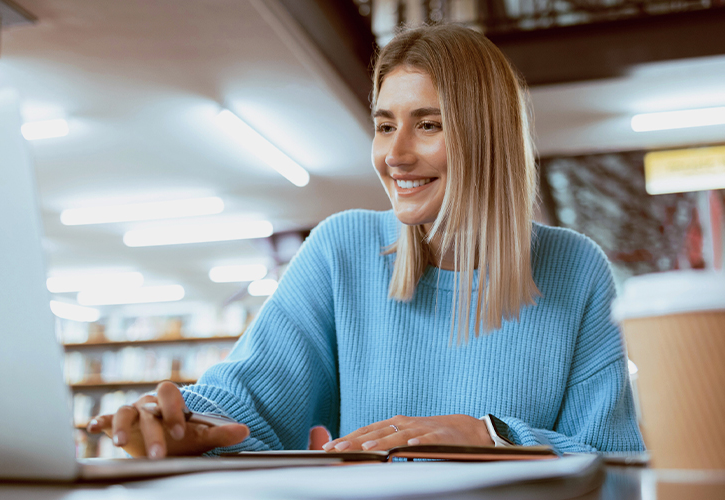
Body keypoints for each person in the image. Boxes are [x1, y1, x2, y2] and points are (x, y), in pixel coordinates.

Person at [88, 23, 645, 458]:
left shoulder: (575, 267)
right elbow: (248, 402)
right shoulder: (342, 249)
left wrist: (493, 437)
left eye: (428, 125)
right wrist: (185, 422)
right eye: (384, 125)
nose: (395, 155)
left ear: (487, 135)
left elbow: (614, 460)